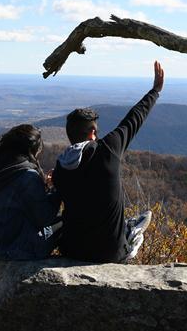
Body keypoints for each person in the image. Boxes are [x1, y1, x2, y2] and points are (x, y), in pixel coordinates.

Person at [52, 60, 165, 263]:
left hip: (72, 250)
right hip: (110, 253)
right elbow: (134, 119)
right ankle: (130, 232)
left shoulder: (60, 168)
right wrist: (155, 91)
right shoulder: (108, 150)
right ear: (93, 132)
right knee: (126, 230)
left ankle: (128, 227)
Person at [0, 124, 62, 260]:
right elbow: (45, 218)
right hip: (18, 250)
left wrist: (43, 188)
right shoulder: (27, 176)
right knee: (67, 221)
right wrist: (56, 188)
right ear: (34, 150)